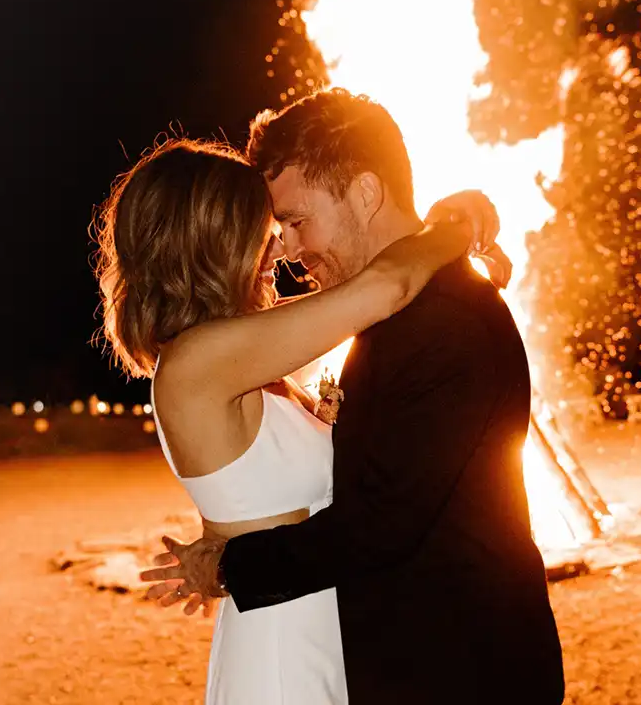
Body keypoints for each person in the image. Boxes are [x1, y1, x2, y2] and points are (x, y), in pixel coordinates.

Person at [141, 89, 566, 704]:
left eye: (295, 221)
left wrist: (230, 567)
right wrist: (460, 224)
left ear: (365, 194)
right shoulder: (383, 309)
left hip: (459, 669)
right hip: (375, 658)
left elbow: (380, 524)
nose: (285, 248)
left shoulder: (442, 321)